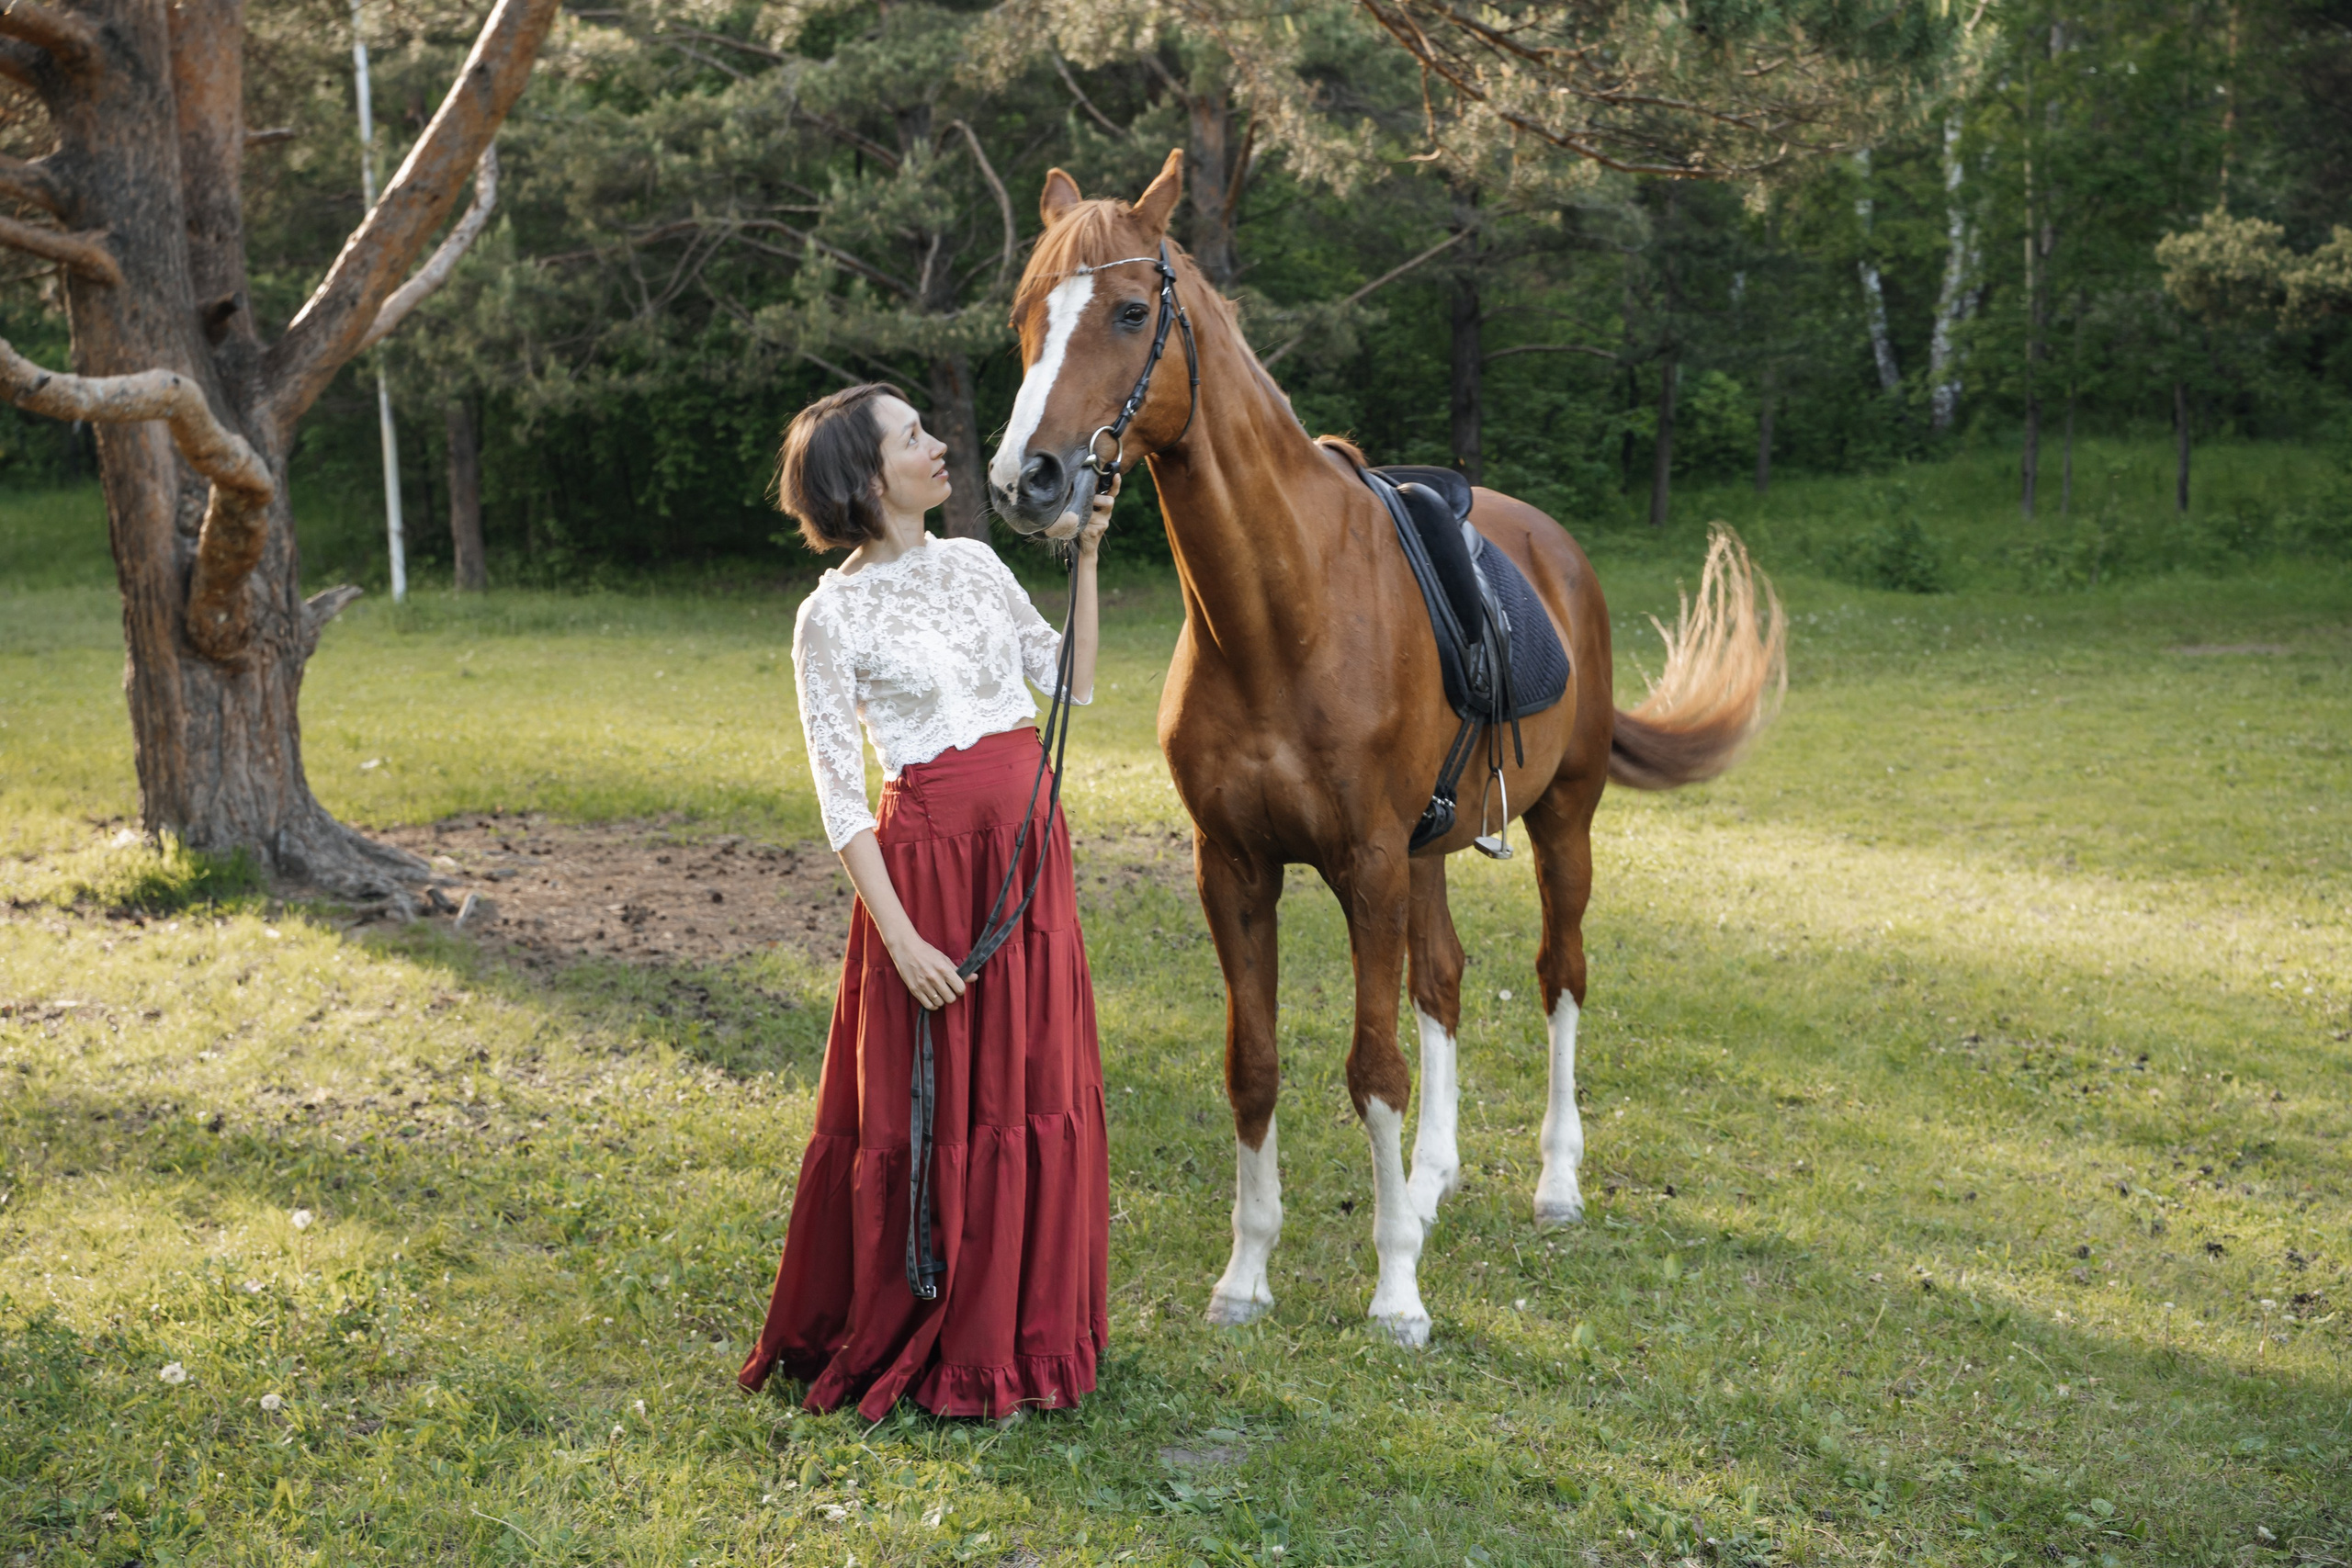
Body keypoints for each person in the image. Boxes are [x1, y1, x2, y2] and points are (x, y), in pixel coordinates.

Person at [738, 383, 1114, 1422]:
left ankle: (1035, 1331)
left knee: (1033, 1085)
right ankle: (953, 1332)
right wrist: (897, 938)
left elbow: (1070, 684)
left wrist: (1082, 555)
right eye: (915, 438)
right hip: (929, 873)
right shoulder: (833, 613)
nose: (942, 446)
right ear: (865, 477)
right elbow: (838, 798)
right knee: (953, 1105)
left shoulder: (979, 565)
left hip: (1028, 851)